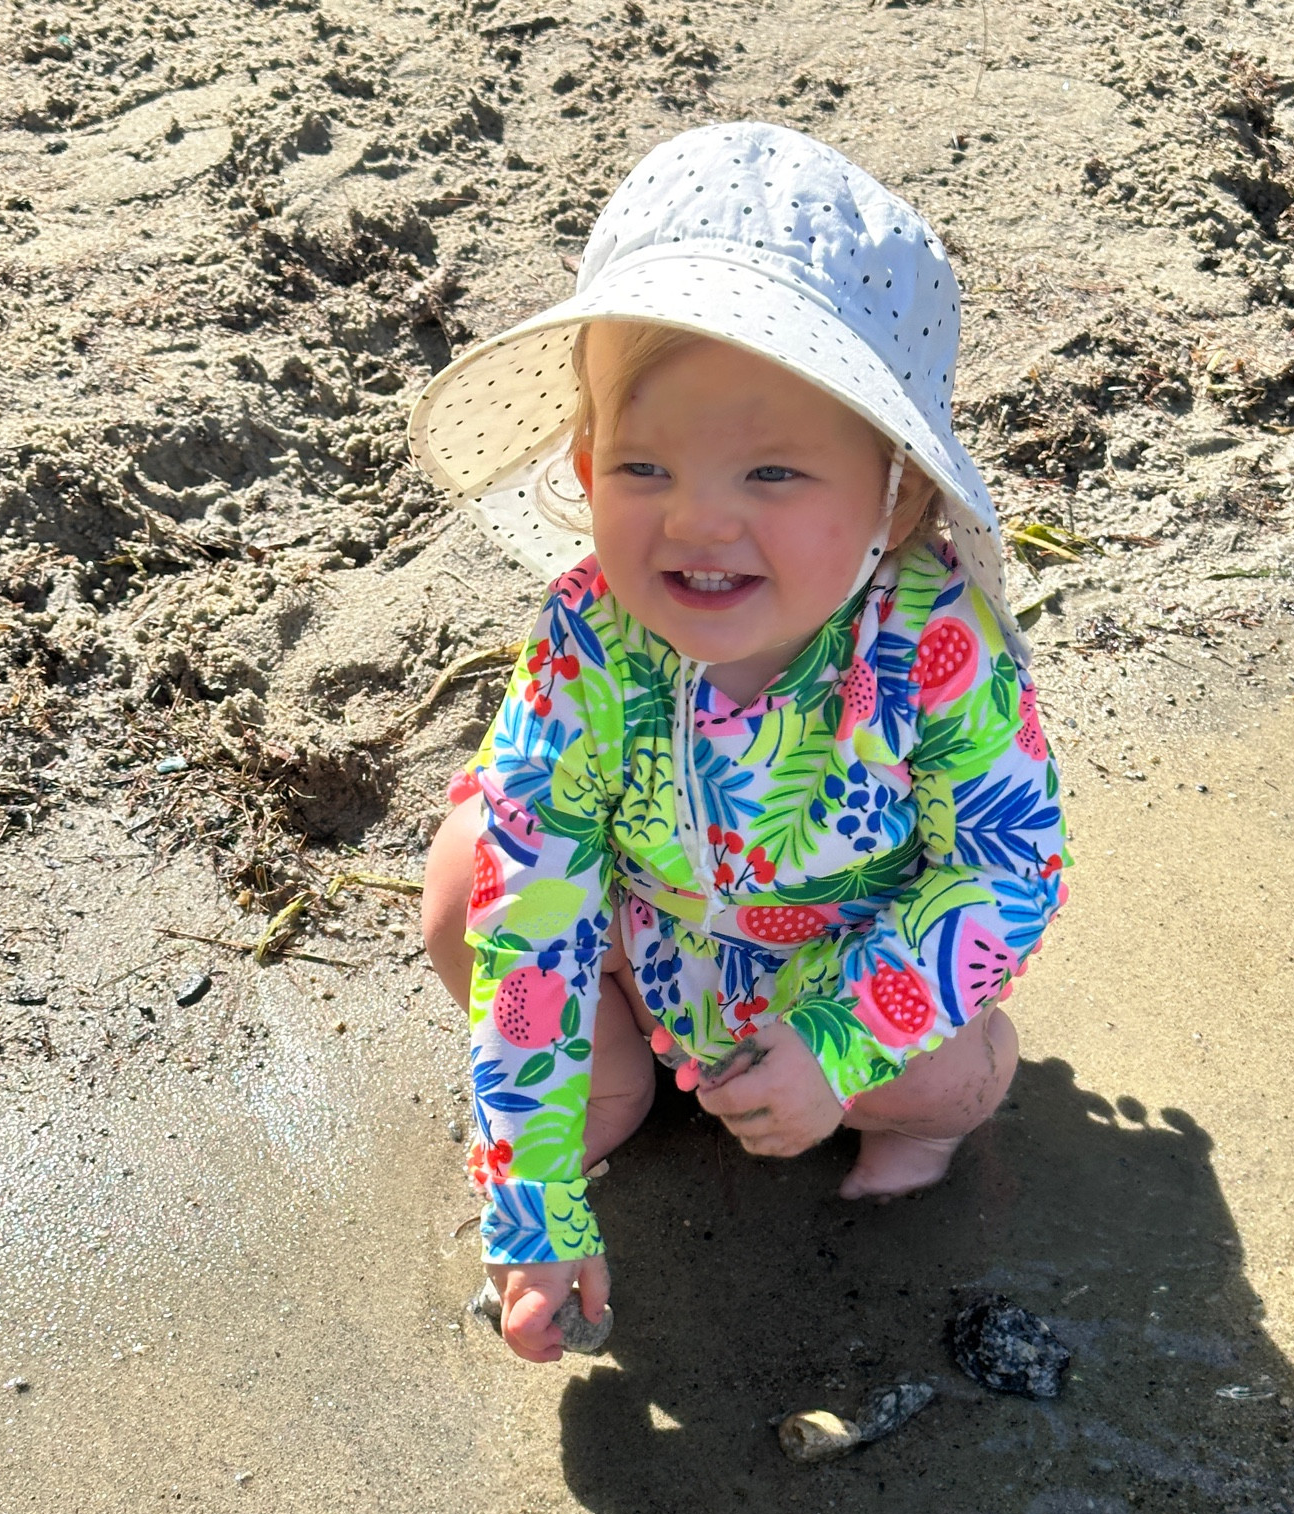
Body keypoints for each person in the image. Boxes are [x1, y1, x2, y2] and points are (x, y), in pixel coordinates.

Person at [412, 121, 1069, 1363]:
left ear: (899, 496)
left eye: (772, 472)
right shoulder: (590, 639)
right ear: (586, 463)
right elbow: (537, 897)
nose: (698, 520)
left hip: (845, 964)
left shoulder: (937, 646)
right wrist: (533, 1198)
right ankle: (613, 1083)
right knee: (470, 883)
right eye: (647, 464)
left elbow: (1005, 871)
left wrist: (837, 1049)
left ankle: (905, 1128)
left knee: (953, 1088)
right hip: (645, 928)